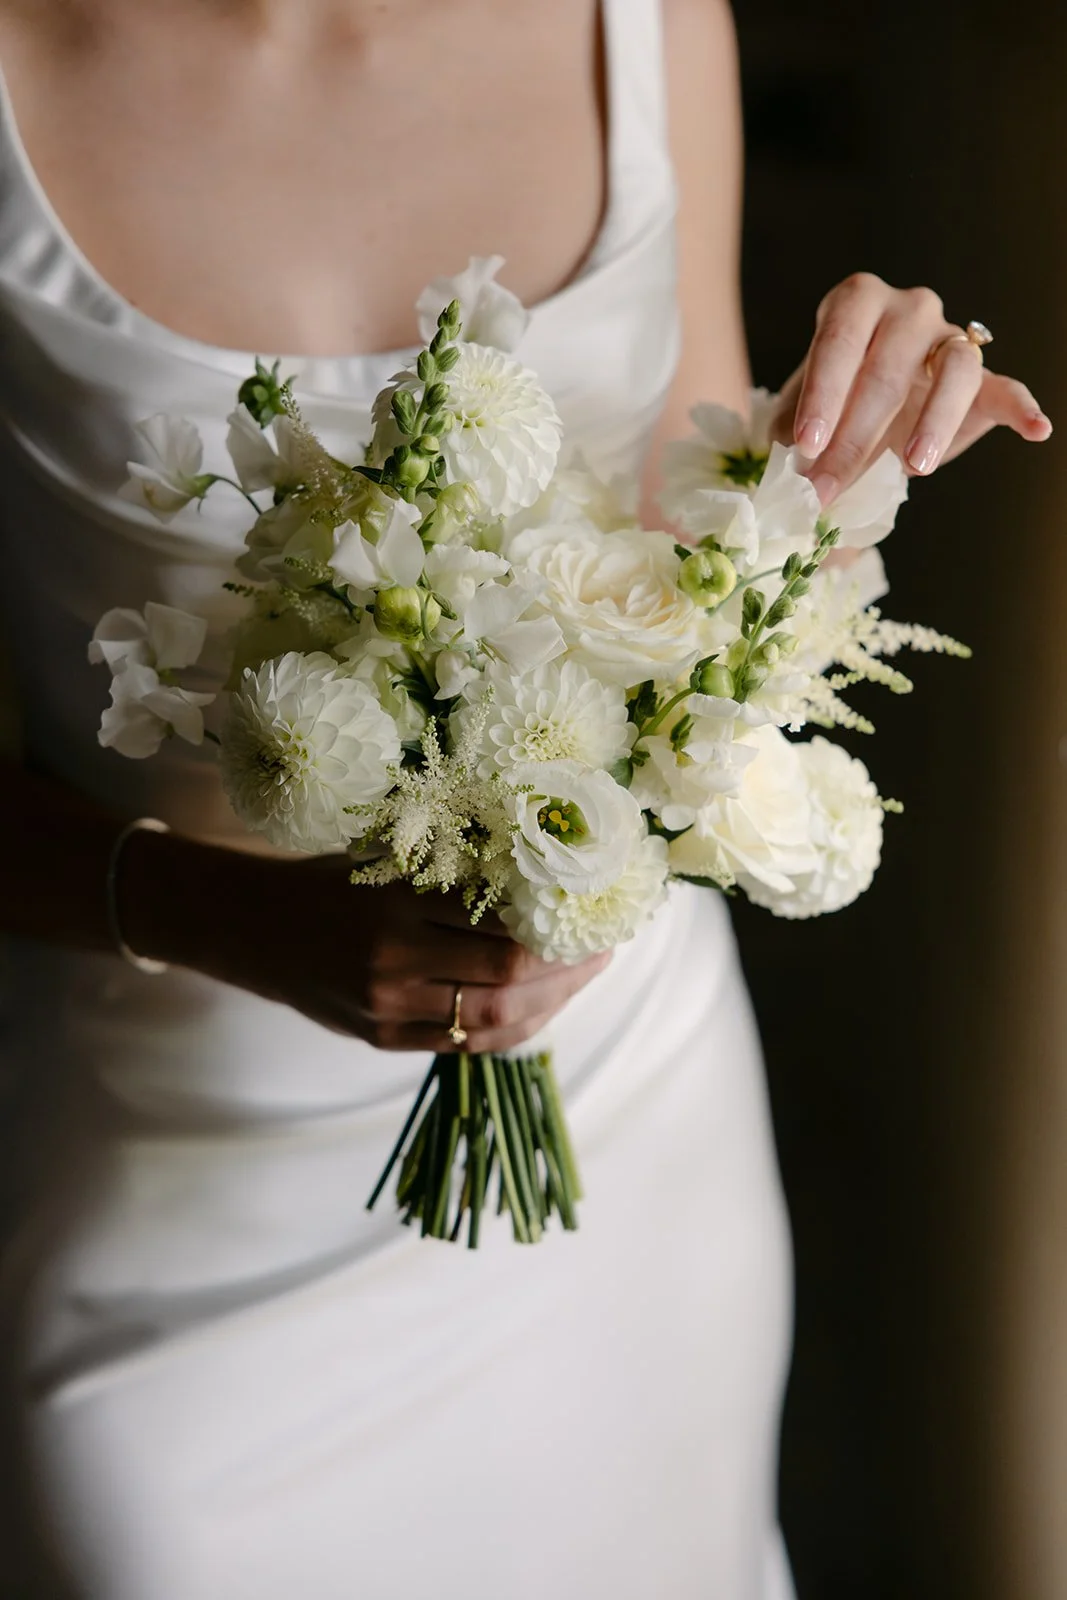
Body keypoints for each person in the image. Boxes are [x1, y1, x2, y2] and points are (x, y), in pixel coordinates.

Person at [0, 0, 1050, 1595]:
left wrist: (840, 452)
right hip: (174, 1183)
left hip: (622, 1118)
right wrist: (218, 913)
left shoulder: (636, 18)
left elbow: (673, 550)